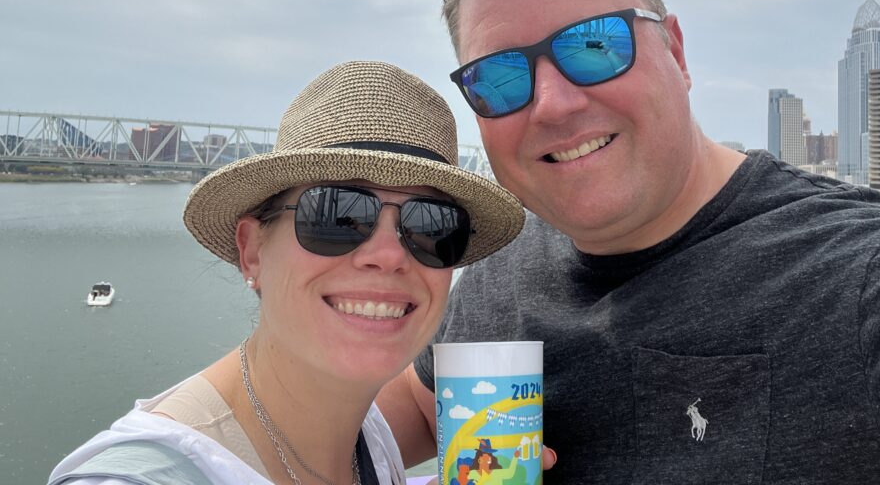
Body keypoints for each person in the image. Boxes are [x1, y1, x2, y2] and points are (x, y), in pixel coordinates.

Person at [376, 0, 880, 483]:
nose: (550, 103)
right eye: (499, 77)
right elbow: (407, 403)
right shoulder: (498, 278)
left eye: (595, 45)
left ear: (678, 53)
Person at [49, 61, 524, 485]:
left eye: (431, 225)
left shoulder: (368, 439)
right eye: (337, 215)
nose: (388, 254)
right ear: (252, 250)